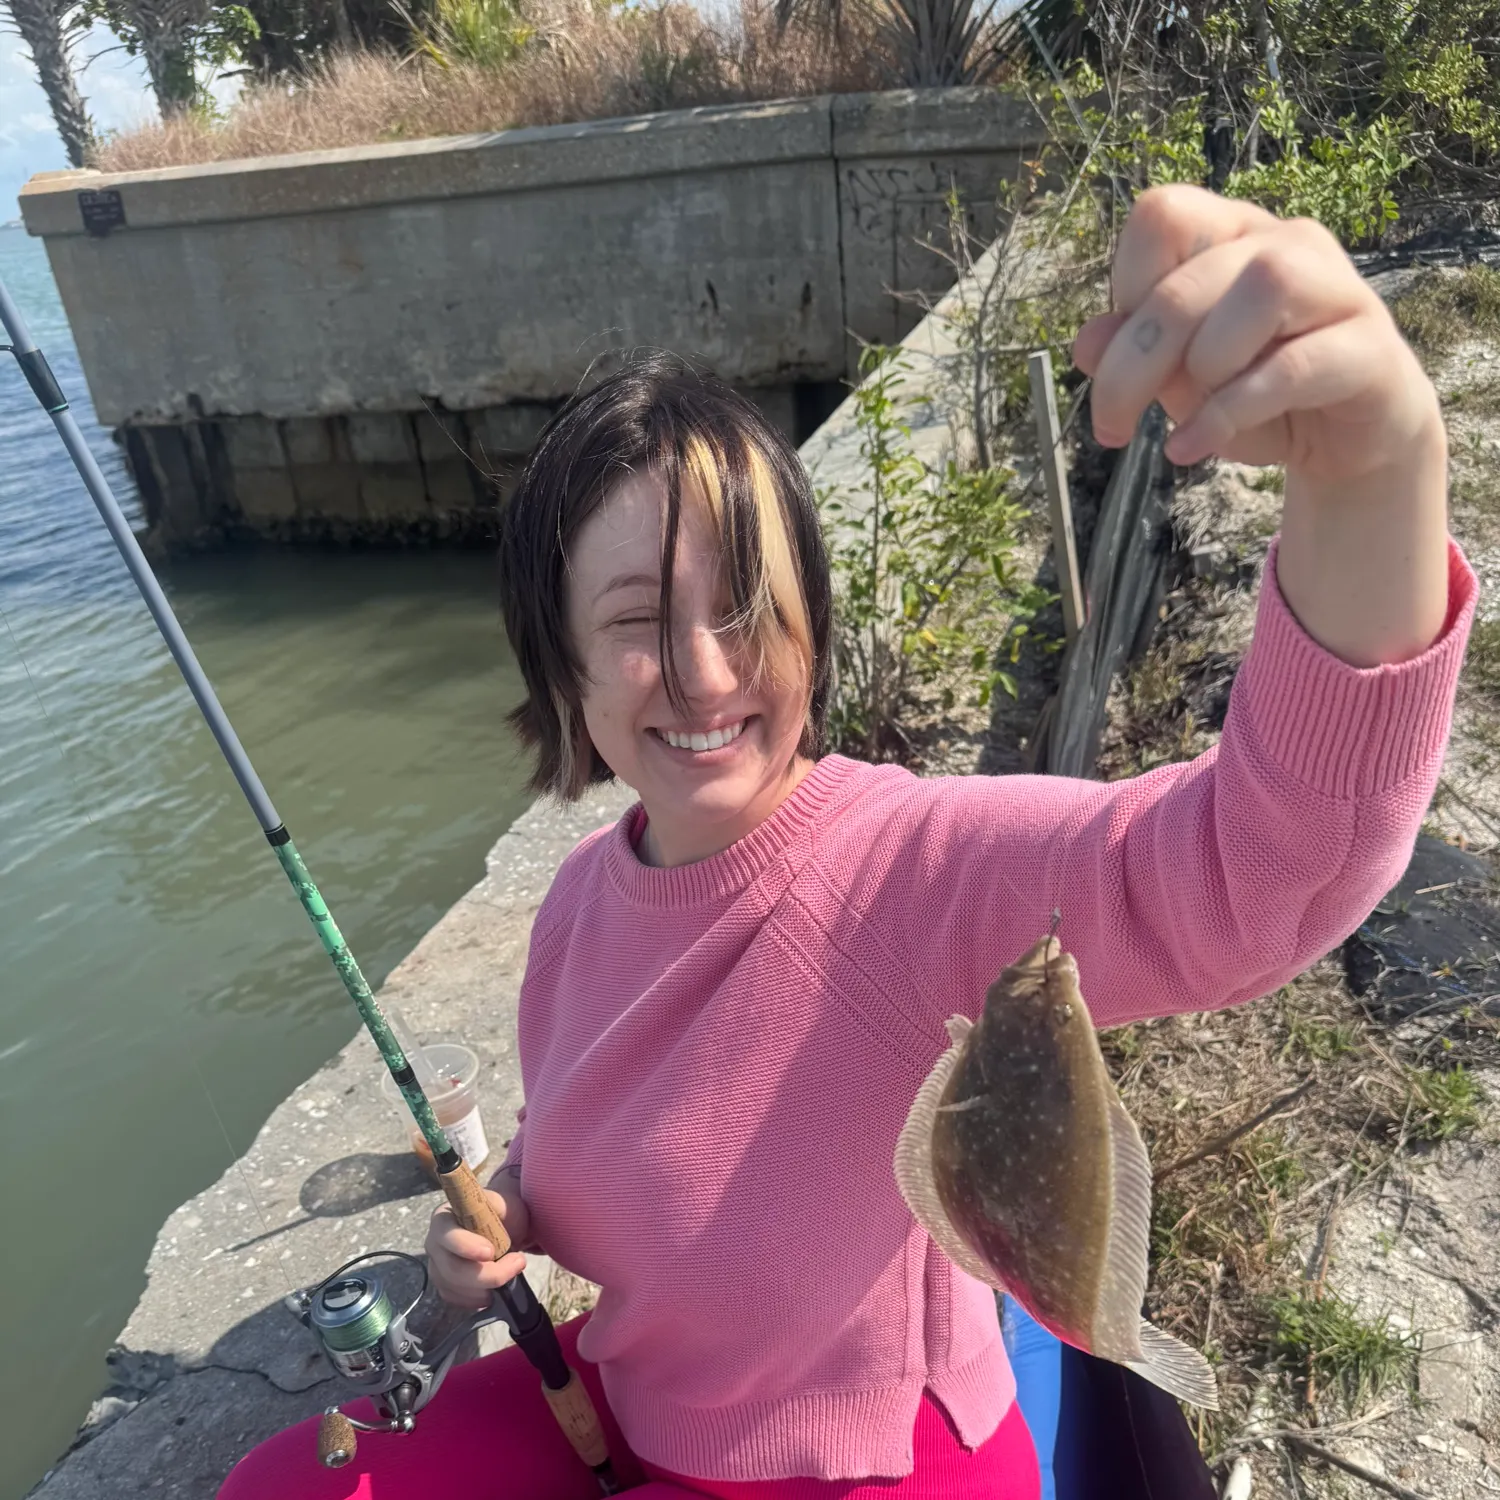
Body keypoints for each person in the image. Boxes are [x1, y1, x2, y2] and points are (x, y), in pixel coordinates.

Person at [220, 184, 1475, 1500]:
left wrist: (1375, 473)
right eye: (642, 621)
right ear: (566, 671)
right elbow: (595, 1130)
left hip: (866, 1460)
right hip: (635, 1393)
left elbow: (1264, 872)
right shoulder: (585, 901)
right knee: (281, 1486)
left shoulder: (916, 872)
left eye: (749, 602)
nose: (705, 674)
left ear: (812, 621)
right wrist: (503, 1218)